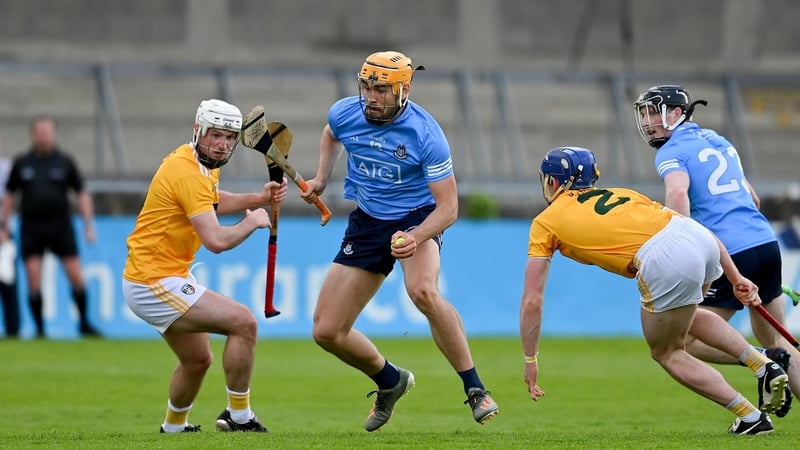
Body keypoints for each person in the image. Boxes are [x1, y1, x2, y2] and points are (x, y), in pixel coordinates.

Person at [521, 146, 789, 435]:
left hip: (665, 257)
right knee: (691, 318)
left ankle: (750, 416)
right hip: (701, 239)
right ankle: (762, 363)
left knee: (667, 352)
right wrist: (736, 277)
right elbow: (688, 225)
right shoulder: (625, 193)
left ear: (554, 181)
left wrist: (530, 359)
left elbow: (533, 300)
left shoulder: (544, 222)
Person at [299, 51, 499, 431]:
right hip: (368, 221)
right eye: (367, 87)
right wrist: (322, 178)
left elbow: (449, 208)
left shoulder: (426, 135)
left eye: (382, 90)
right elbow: (330, 134)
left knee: (422, 290)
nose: (372, 97)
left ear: (404, 90)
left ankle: (475, 389)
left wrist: (417, 235)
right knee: (326, 331)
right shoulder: (345, 113)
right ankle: (390, 381)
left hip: (418, 216)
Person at [633, 85, 799, 417]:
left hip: (729, 252)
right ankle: (772, 360)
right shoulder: (718, 140)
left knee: (688, 340)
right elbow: (752, 198)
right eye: (645, 113)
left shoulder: (670, 152)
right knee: (781, 344)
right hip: (765, 242)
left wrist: (678, 242)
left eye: (654, 111)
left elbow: (678, 194)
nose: (648, 121)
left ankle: (762, 362)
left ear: (677, 113)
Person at [122, 99, 287, 433]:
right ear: (199, 130)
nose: (223, 144)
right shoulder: (187, 172)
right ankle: (238, 416)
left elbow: (211, 200)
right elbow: (216, 241)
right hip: (153, 280)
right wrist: (253, 221)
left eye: (229, 137)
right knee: (244, 323)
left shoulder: (198, 163)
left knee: (198, 360)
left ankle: (173, 427)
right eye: (216, 135)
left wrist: (258, 197)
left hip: (159, 276)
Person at [0, 115, 98, 338]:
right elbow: (9, 195)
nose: (43, 135)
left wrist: (88, 224)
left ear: (54, 133)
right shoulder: (22, 163)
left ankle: (84, 323)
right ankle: (40, 329)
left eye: (47, 131)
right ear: (33, 134)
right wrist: (3, 224)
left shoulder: (65, 161)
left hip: (60, 225)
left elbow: (81, 193)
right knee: (34, 278)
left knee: (75, 275)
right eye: (39, 131)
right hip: (31, 226)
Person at [0, 135, 19, 339]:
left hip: (4, 232)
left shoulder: (7, 168)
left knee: (7, 281)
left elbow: (9, 197)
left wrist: (3, 226)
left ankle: (13, 329)